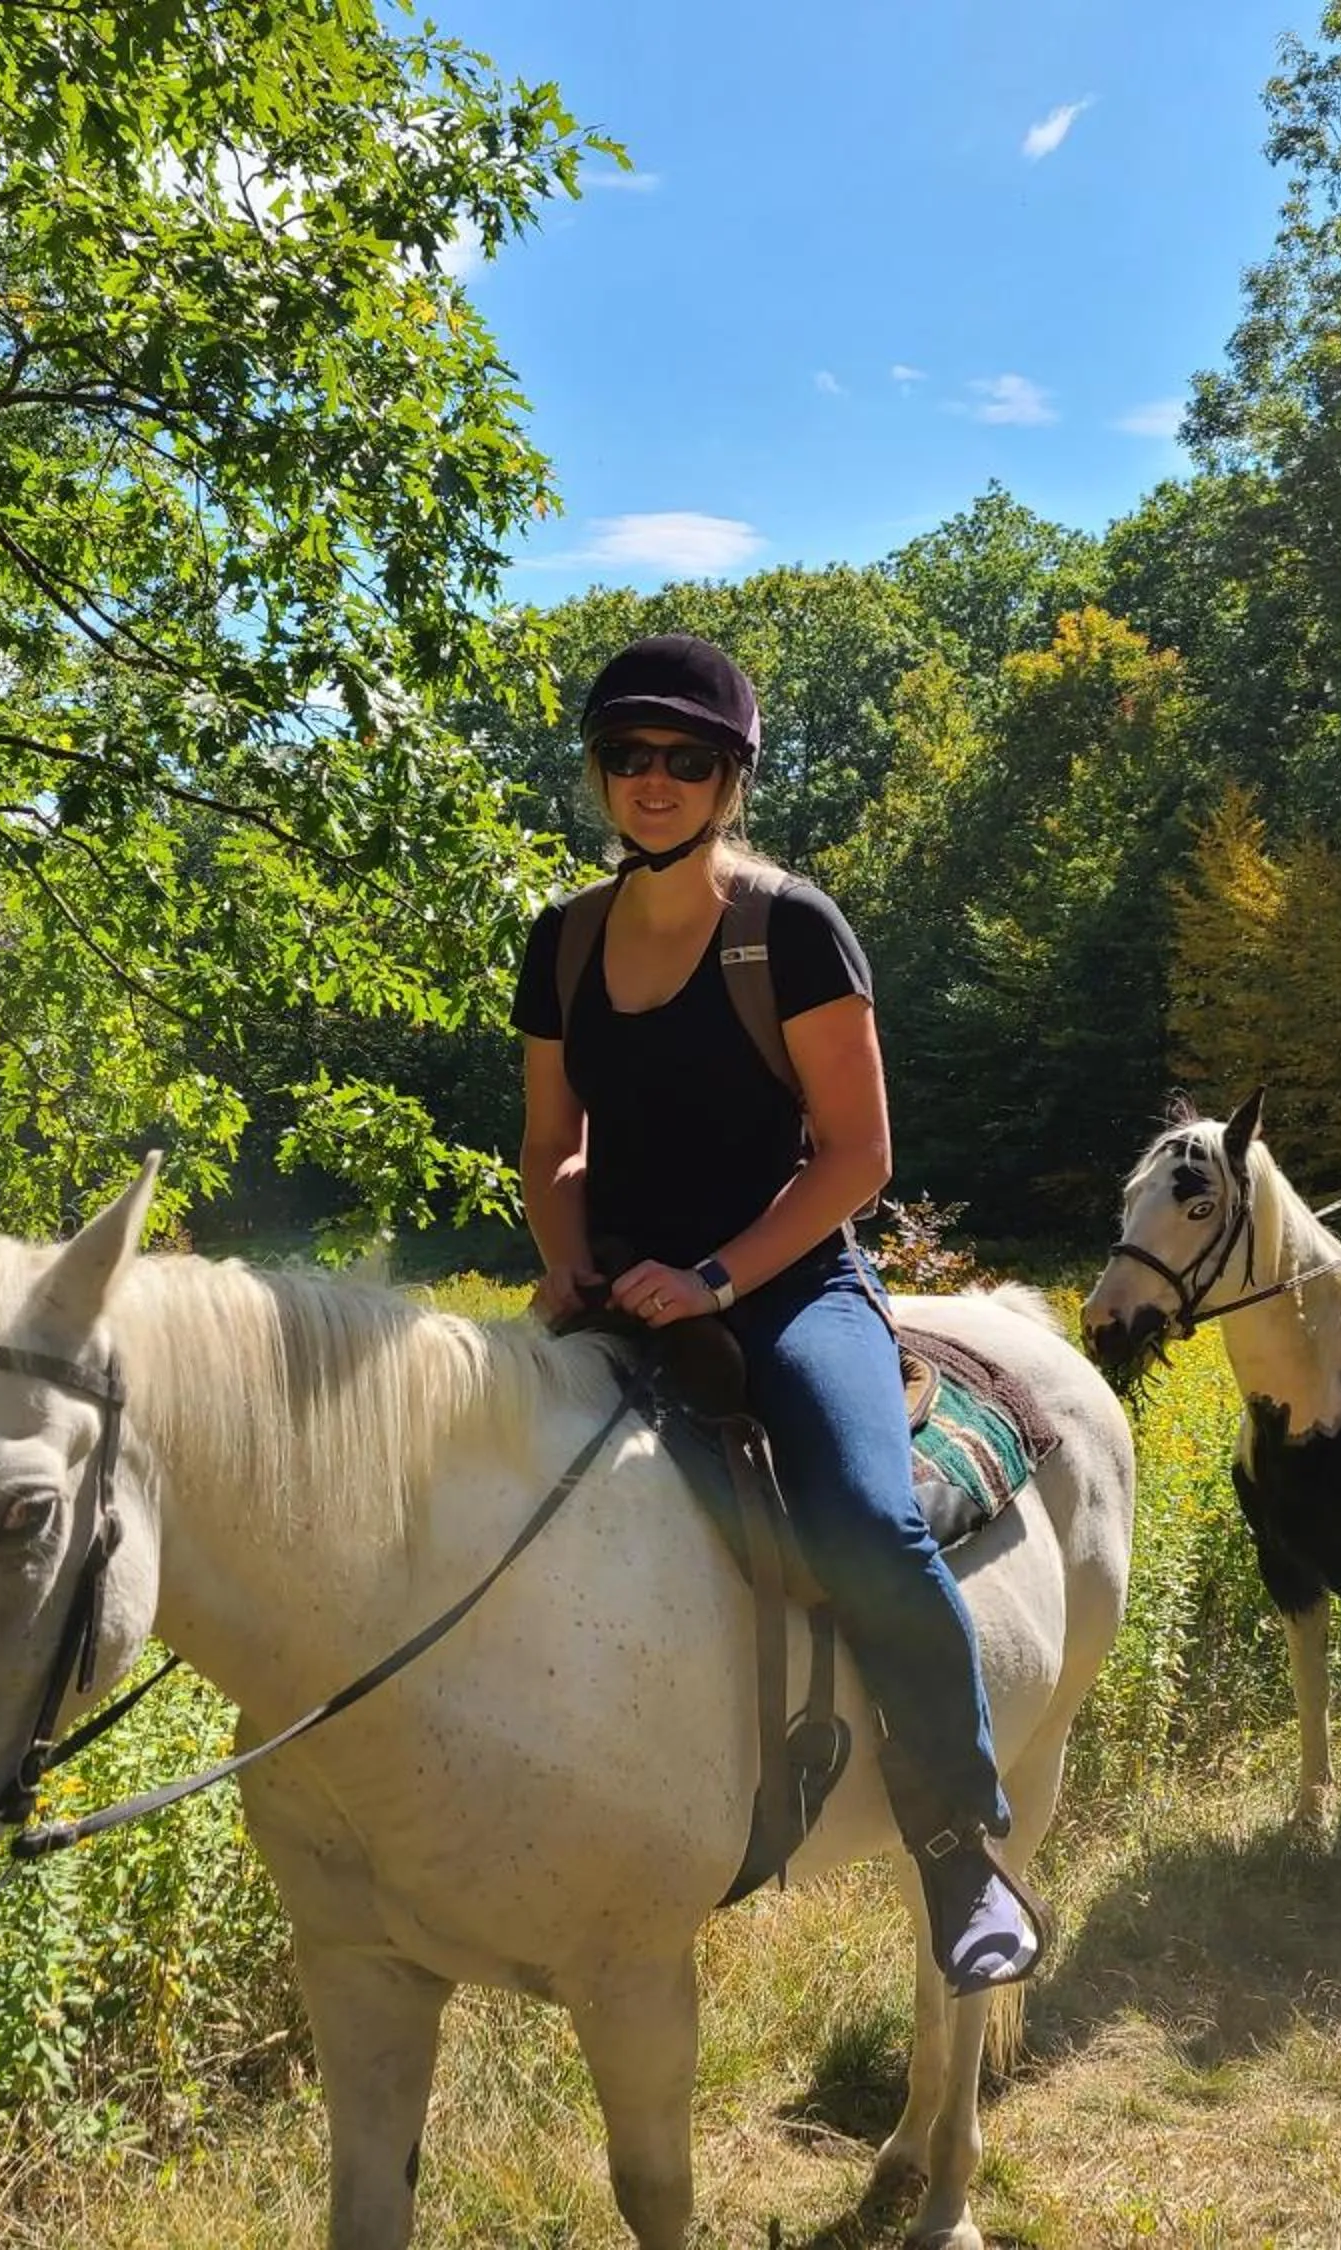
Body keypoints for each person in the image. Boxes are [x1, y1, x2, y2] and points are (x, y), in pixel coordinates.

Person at [508, 633, 1041, 1993]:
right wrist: (567, 1257)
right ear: (599, 773)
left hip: (790, 1286)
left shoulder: (790, 929)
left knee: (866, 1519)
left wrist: (718, 1280)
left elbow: (857, 1157)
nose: (654, 779)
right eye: (629, 755)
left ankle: (957, 1843)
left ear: (733, 776)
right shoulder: (560, 942)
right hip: (617, 1287)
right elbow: (553, 1147)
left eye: (688, 758)